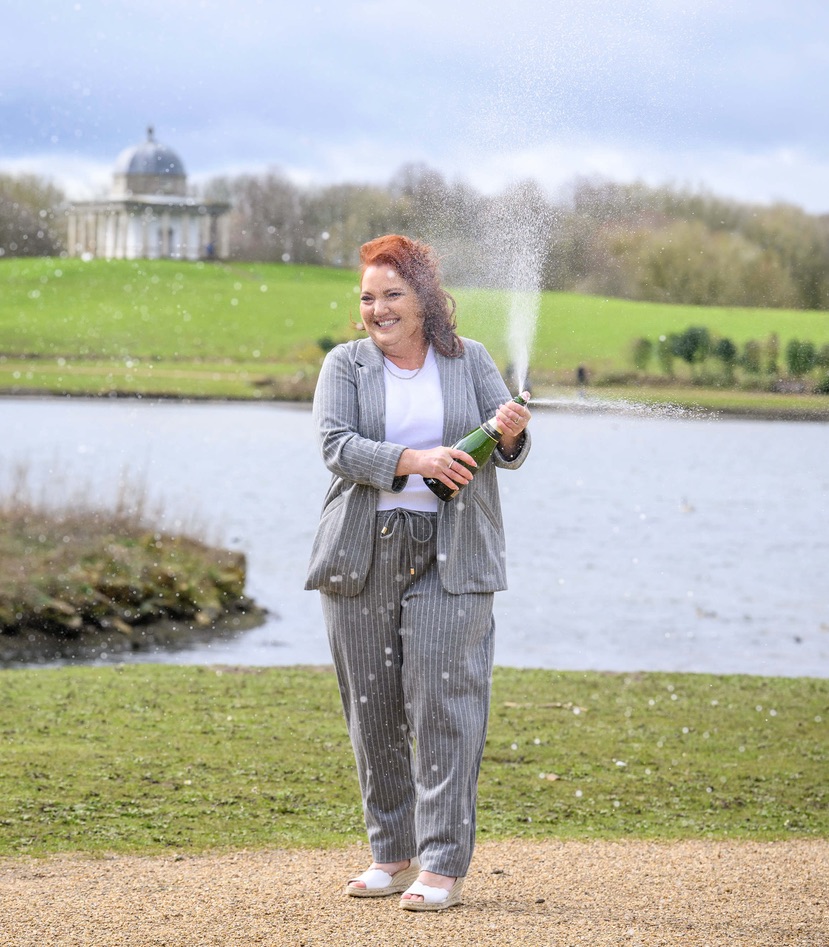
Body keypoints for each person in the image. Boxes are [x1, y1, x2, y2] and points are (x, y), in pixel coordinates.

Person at [305, 234, 531, 911]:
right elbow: (335, 446)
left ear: (424, 299)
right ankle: (392, 853)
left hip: (452, 552)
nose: (377, 309)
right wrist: (417, 461)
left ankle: (443, 862)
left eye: (392, 294)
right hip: (360, 551)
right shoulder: (344, 365)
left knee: (442, 705)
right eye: (368, 297)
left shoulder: (471, 362)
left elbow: (509, 450)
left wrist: (513, 431)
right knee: (371, 709)